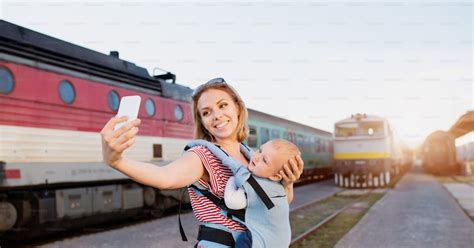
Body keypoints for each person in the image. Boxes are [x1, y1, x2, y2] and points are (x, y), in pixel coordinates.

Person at [100, 78, 304, 247]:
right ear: (203, 122)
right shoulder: (202, 156)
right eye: (206, 112)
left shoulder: (252, 156)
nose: (216, 116)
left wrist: (288, 183)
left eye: (223, 105)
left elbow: (275, 203)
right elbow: (166, 177)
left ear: (238, 109)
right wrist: (117, 161)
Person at [185, 138, 300, 247]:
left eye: (264, 160)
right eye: (259, 151)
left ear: (275, 176)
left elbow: (232, 202)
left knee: (245, 240)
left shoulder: (255, 185)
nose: (256, 157)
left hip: (260, 239)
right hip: (280, 239)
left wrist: (233, 180)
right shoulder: (277, 185)